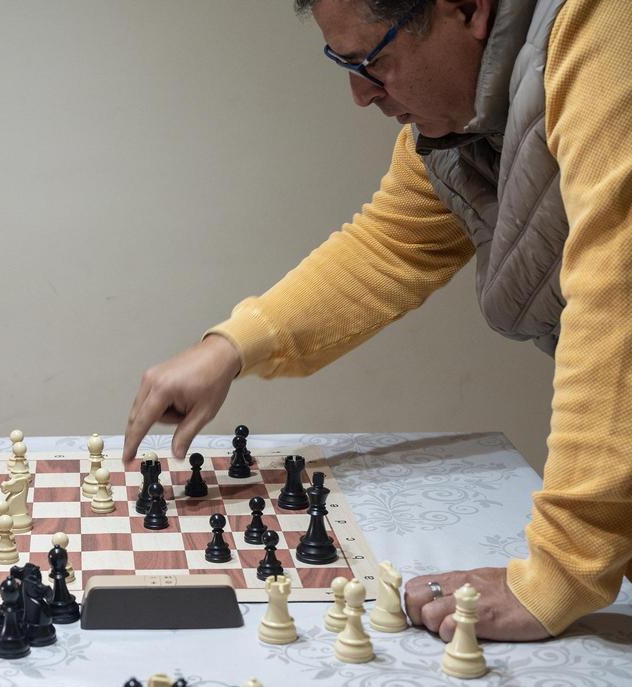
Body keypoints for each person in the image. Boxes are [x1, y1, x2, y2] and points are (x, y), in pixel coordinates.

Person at [124, 0, 631, 643]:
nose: (360, 94)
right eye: (343, 61)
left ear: (468, 9)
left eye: (373, 61)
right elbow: (391, 246)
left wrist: (558, 571)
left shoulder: (606, 29)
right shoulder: (465, 123)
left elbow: (619, 299)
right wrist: (231, 347)